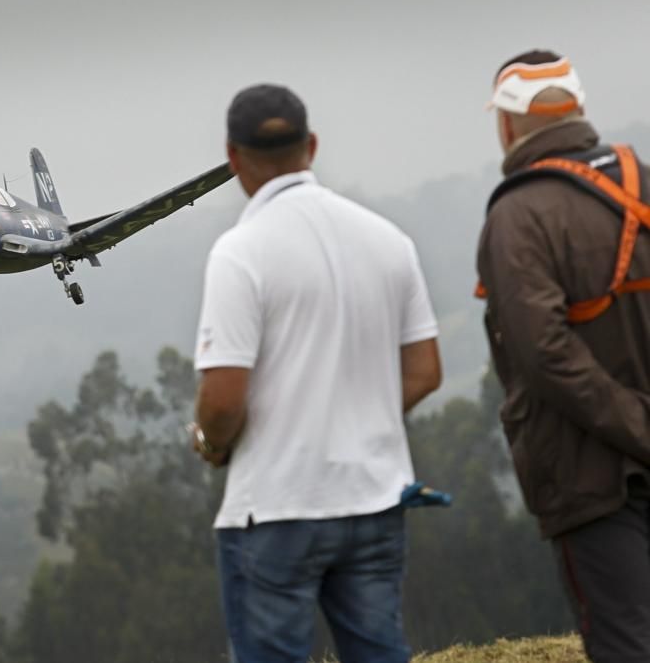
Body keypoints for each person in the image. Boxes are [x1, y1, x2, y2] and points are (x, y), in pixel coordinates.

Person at [189, 84, 442, 663]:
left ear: (233, 158)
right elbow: (425, 371)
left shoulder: (240, 251)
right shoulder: (390, 239)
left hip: (278, 506)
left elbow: (223, 401)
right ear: (313, 145)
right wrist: (359, 413)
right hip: (376, 497)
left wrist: (208, 440)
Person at [476, 50, 650, 662]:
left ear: (505, 124)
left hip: (591, 477)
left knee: (626, 644)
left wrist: (637, 427)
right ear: (578, 107)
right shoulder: (643, 180)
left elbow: (543, 353)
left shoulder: (517, 214)